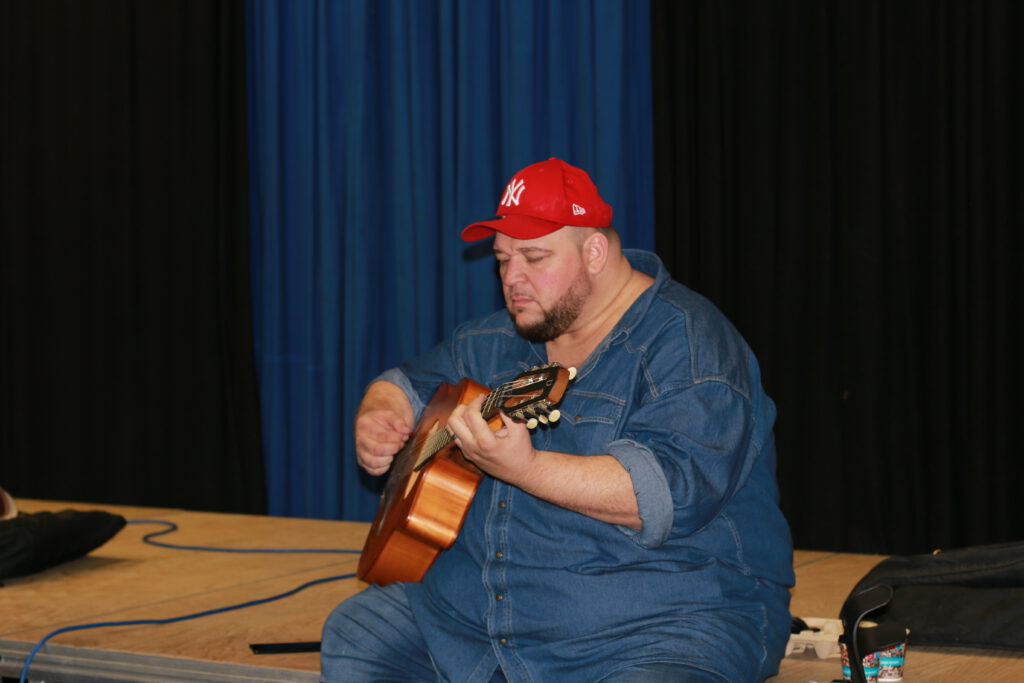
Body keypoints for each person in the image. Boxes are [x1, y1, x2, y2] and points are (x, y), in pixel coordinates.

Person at [321, 158, 794, 682]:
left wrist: (526, 469)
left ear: (594, 252)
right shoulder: (498, 338)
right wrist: (380, 410)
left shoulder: (691, 345)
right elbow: (407, 382)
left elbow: (667, 493)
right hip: (476, 618)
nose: (512, 279)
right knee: (358, 635)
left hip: (658, 623)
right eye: (503, 259)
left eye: (534, 257)